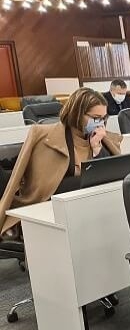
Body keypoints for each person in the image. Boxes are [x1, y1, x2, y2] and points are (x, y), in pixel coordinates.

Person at [0, 87, 122, 236]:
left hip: (86, 209)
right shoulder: (46, 137)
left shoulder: (101, 138)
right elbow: (42, 186)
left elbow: (107, 176)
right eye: (96, 118)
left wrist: (97, 149)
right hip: (50, 207)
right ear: (77, 113)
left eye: (103, 118)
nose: (100, 123)